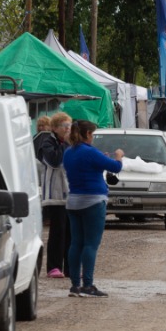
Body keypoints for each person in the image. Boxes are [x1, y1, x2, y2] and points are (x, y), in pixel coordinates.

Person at [62, 120, 123, 297]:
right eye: (93, 134)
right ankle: (88, 285)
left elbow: (87, 166)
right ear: (88, 134)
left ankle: (74, 285)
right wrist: (118, 155)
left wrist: (99, 158)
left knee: (76, 243)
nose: (93, 137)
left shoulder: (68, 152)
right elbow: (115, 167)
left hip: (73, 201)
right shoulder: (90, 152)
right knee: (90, 244)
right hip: (93, 201)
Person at [35, 112, 72, 278]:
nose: (68, 129)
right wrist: (66, 144)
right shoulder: (47, 143)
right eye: (65, 127)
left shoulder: (71, 143)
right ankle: (54, 267)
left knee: (71, 232)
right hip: (55, 194)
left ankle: (71, 267)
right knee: (58, 231)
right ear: (55, 128)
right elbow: (55, 161)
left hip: (71, 194)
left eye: (69, 126)